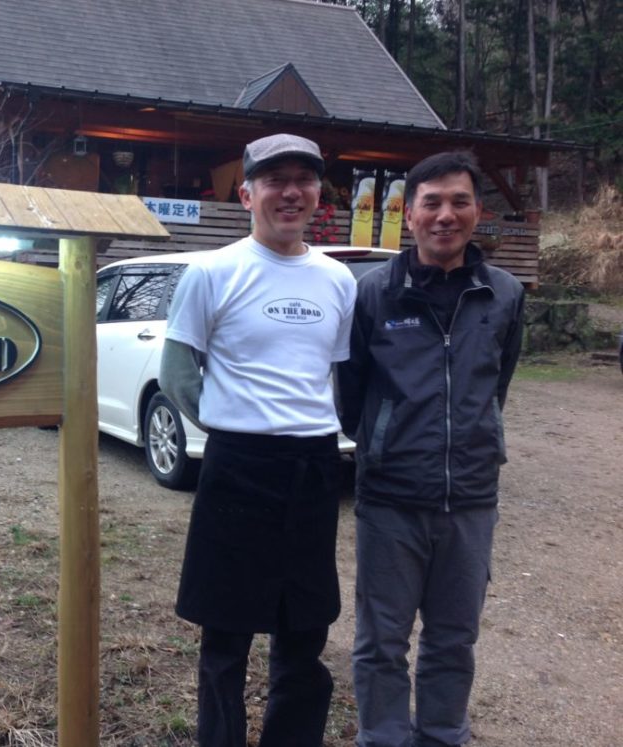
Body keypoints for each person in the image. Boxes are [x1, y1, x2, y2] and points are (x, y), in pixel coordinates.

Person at [160, 133, 357, 746]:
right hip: (238, 465)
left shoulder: (338, 279)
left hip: (314, 465)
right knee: (225, 634)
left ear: (318, 193)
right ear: (247, 193)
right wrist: (230, 425)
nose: (290, 191)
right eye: (275, 180)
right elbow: (176, 372)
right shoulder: (212, 272)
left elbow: (337, 375)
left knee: (305, 629)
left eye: (304, 178)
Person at [337, 151, 525, 747]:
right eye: (432, 203)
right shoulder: (374, 295)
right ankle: (384, 738)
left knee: (453, 638)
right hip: (390, 499)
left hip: (470, 498)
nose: (446, 215)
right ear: (409, 214)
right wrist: (385, 440)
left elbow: (498, 384)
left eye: (459, 202)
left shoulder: (505, 294)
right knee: (381, 641)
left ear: (478, 212)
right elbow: (351, 394)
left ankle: (444, 735)